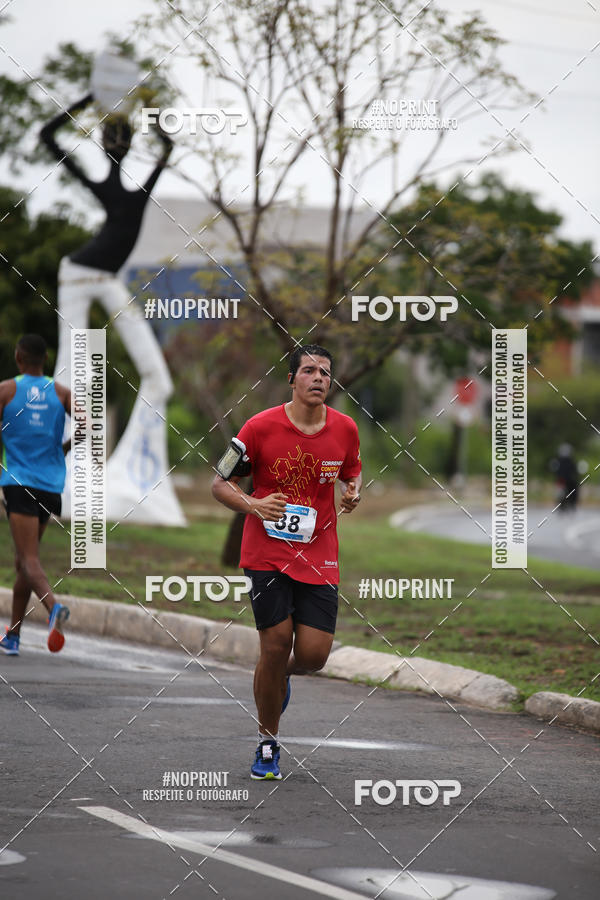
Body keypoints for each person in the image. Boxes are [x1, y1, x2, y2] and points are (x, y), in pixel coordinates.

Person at [212, 345, 362, 780]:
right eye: (310, 371)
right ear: (292, 379)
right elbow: (220, 484)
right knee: (275, 644)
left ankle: (279, 676)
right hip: (267, 553)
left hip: (319, 552)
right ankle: (267, 743)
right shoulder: (259, 427)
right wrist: (255, 504)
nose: (319, 378)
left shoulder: (346, 429)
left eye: (326, 373)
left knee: (313, 655)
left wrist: (353, 492)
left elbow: (352, 471)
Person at [39, 94, 184, 525]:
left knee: (159, 377)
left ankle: (137, 477)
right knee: (72, 369)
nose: (117, 145)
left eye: (121, 138)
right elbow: (47, 136)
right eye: (113, 138)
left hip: (107, 281)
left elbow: (168, 149)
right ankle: (63, 476)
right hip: (76, 277)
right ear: (106, 146)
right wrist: (89, 100)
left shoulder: (138, 188)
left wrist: (149, 110)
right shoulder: (104, 186)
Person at [0, 335, 71, 656]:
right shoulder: (59, 392)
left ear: (18, 358)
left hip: (20, 482)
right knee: (22, 562)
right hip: (51, 485)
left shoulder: (6, 390)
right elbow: (87, 422)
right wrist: (61, 450)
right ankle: (13, 636)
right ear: (44, 359)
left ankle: (54, 608)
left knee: (29, 560)